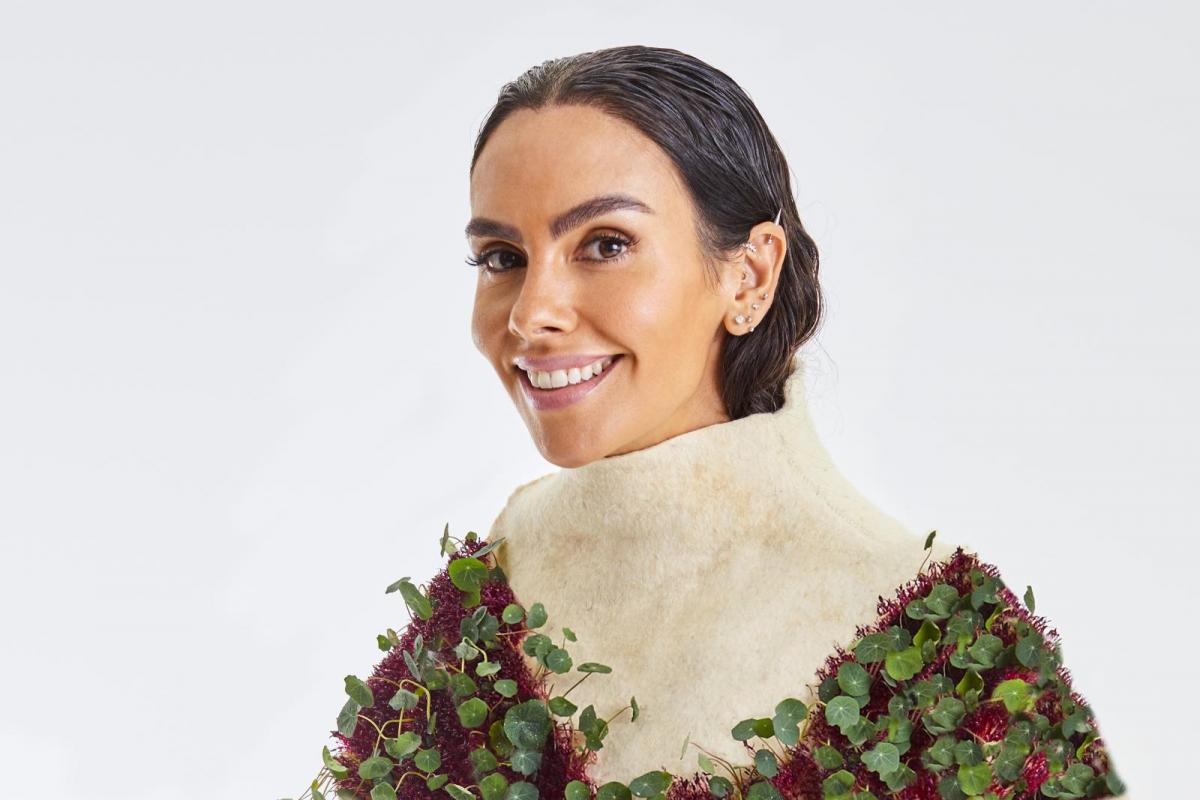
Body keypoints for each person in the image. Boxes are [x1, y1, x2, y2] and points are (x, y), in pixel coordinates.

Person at [318, 45, 1130, 800]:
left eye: (604, 244)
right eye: (502, 257)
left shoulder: (946, 649)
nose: (532, 315)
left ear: (748, 275)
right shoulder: (483, 605)